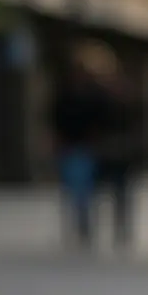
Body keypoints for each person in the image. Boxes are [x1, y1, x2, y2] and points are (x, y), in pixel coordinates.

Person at [48, 48, 110, 249]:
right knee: (72, 187)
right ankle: (77, 223)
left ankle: (85, 223)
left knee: (85, 187)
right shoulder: (65, 93)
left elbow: (102, 118)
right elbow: (54, 117)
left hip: (86, 146)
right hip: (69, 145)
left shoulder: (94, 94)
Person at [92, 47, 141, 250]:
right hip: (109, 149)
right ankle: (103, 225)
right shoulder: (102, 98)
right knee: (107, 189)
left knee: (122, 190)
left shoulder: (128, 99)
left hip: (123, 150)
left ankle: (121, 225)